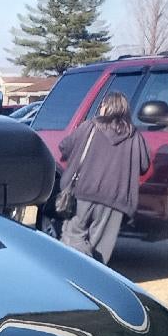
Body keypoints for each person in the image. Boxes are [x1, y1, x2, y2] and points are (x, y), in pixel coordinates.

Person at [56, 91, 150, 264]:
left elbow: (64, 147)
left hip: (83, 193)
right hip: (115, 201)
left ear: (106, 108)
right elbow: (144, 165)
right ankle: (91, 279)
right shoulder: (135, 136)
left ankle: (72, 275)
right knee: (100, 251)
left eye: (102, 105)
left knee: (72, 237)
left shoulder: (90, 127)